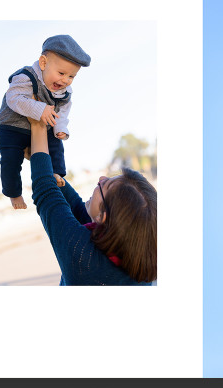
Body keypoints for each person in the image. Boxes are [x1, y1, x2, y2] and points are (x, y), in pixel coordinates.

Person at [26, 108, 157, 286]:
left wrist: (37, 122)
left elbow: (45, 192)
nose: (101, 179)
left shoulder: (82, 258)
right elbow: (77, 210)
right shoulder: (139, 253)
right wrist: (42, 159)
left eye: (104, 186)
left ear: (104, 217)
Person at [0, 35, 89, 210]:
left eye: (71, 76)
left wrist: (60, 127)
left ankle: (56, 174)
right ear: (43, 63)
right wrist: (39, 108)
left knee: (56, 146)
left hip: (44, 125)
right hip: (12, 126)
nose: (64, 80)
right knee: (10, 160)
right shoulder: (26, 76)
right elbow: (13, 98)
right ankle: (13, 192)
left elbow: (62, 111)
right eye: (61, 73)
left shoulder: (64, 91)